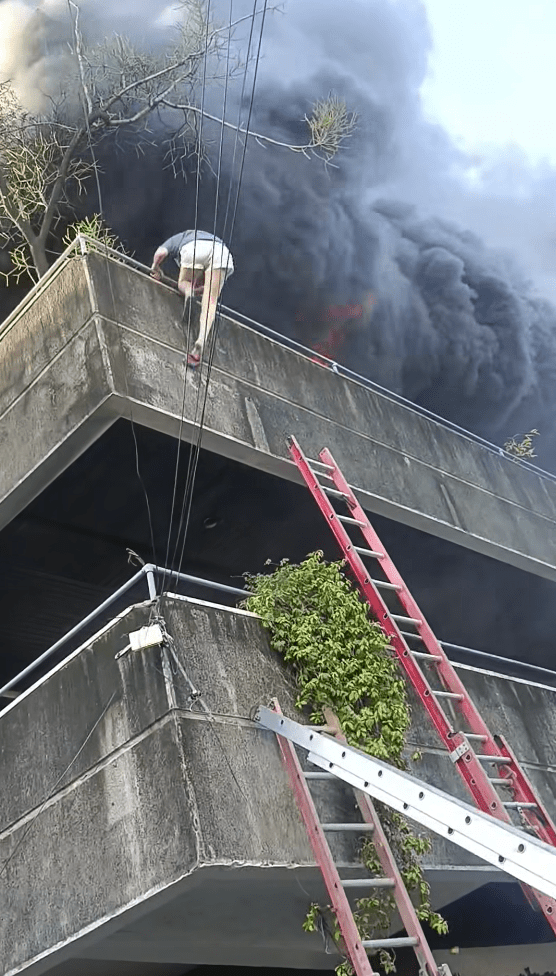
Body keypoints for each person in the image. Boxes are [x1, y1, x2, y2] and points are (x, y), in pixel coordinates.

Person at [151, 230, 234, 366]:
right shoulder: (214, 241)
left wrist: (155, 268)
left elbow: (160, 253)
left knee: (184, 282)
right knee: (211, 300)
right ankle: (200, 341)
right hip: (222, 253)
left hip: (194, 247)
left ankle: (188, 293)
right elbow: (206, 288)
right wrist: (201, 290)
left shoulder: (181, 237)